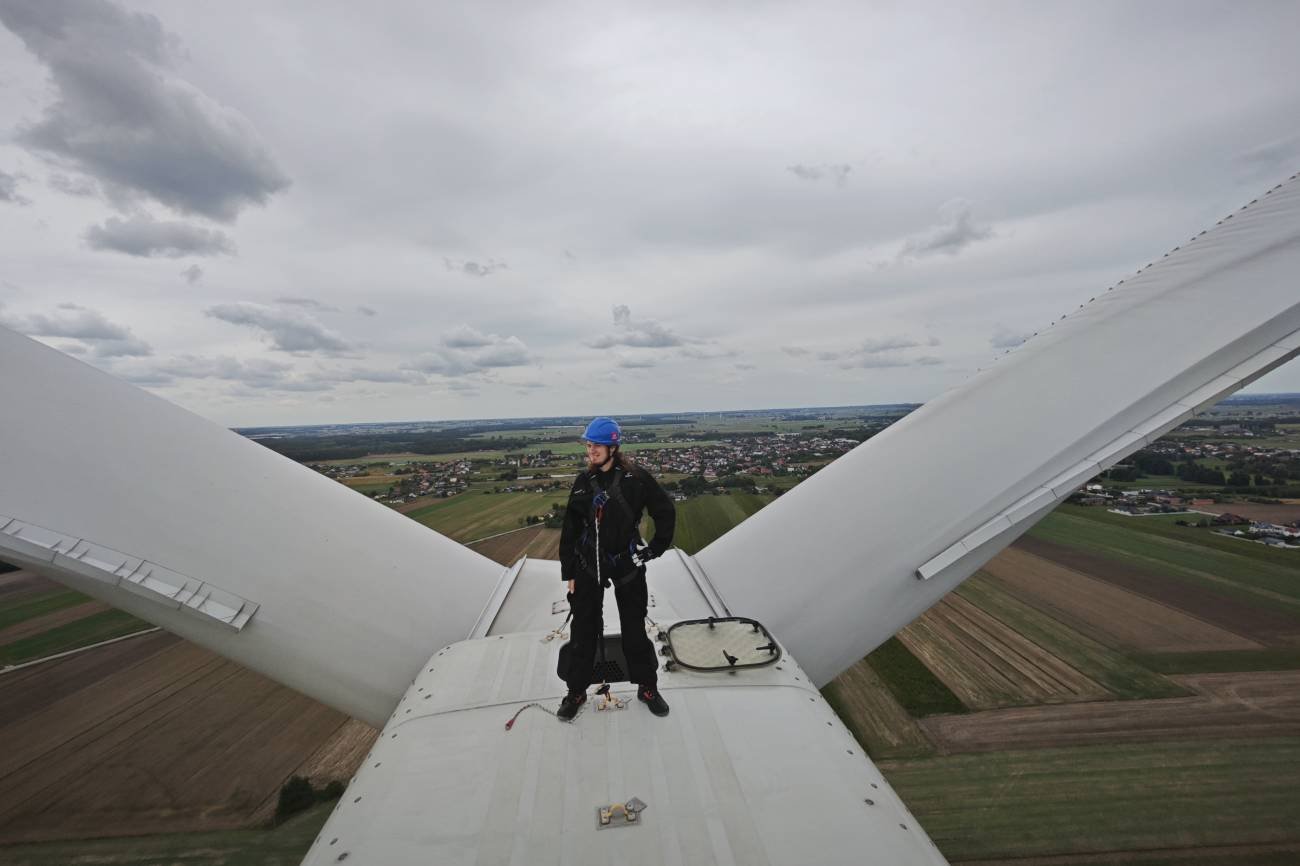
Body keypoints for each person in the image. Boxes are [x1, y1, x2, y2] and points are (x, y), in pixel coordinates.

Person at [556, 416, 675, 721]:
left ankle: (647, 686)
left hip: (626, 562)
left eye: (596, 444)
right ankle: (577, 691)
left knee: (634, 626)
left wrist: (655, 548)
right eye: (589, 444)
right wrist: (569, 571)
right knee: (583, 628)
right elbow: (570, 527)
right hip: (588, 563)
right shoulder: (584, 482)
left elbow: (664, 510)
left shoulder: (636, 478)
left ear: (612, 446)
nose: (590, 449)